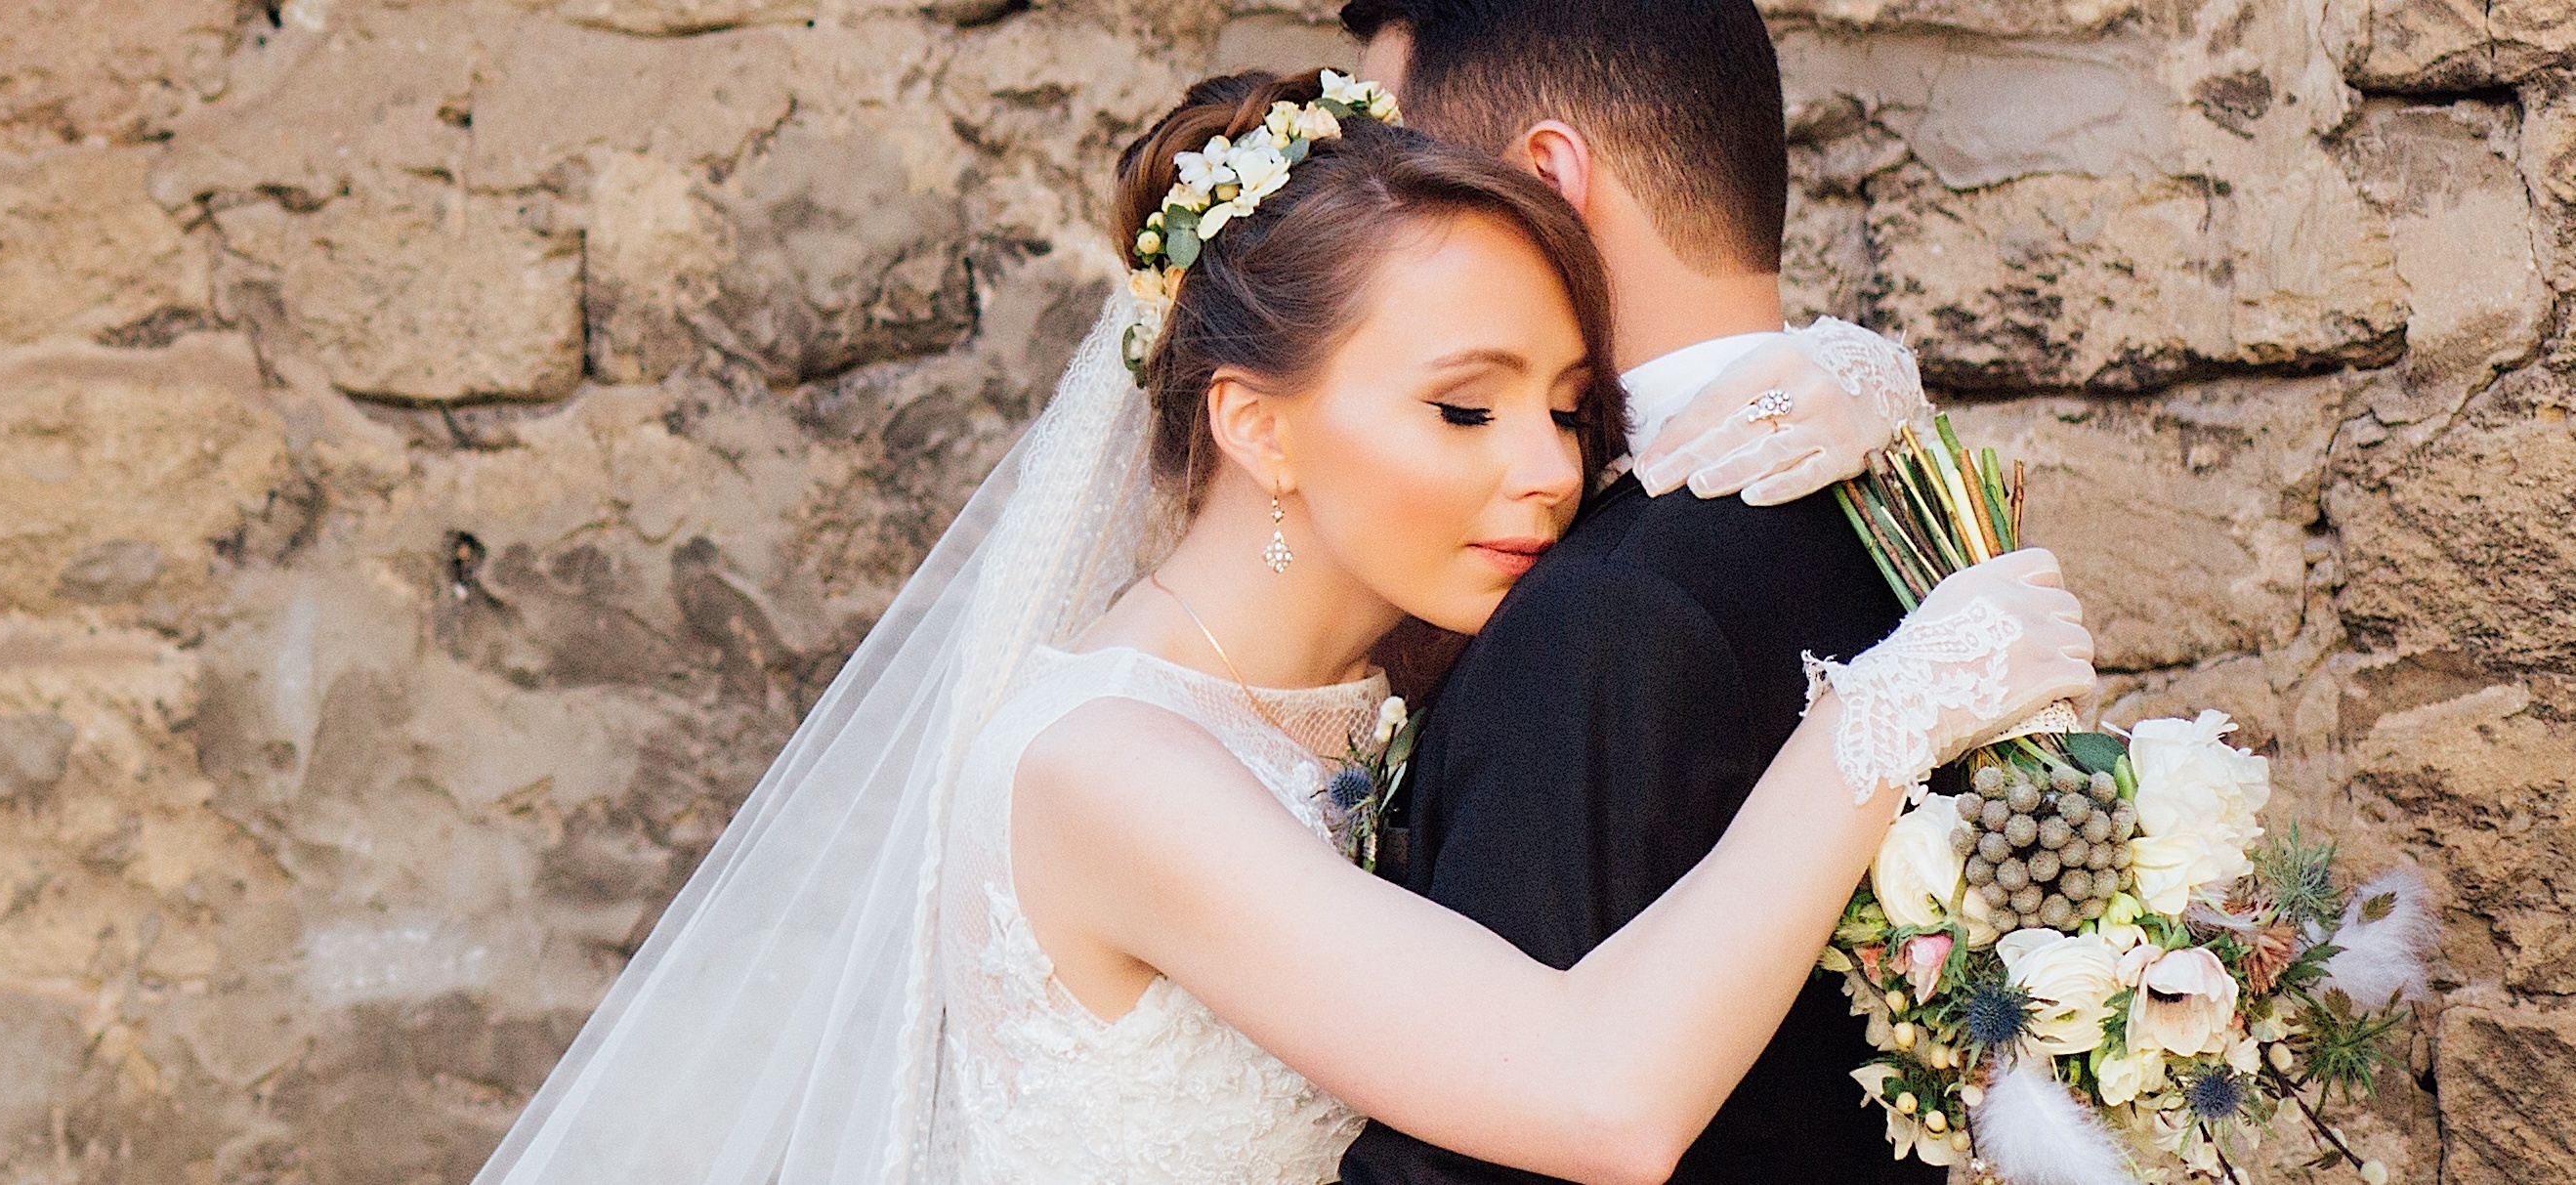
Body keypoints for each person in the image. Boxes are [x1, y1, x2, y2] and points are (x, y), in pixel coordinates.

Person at [472, 70, 2092, 1185]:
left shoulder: (1373, 680)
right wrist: (1886, 708)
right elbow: (1596, 1097)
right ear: (1256, 424)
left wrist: (1854, 380)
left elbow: (1677, 454)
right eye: (1462, 407)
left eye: (1566, 402)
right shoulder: (1106, 766)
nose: (1540, 469)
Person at [1336, 2, 1959, 1182]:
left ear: (1545, 183)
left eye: (1406, 177)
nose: (1366, 232)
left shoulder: (1604, 612)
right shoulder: (1916, 515)